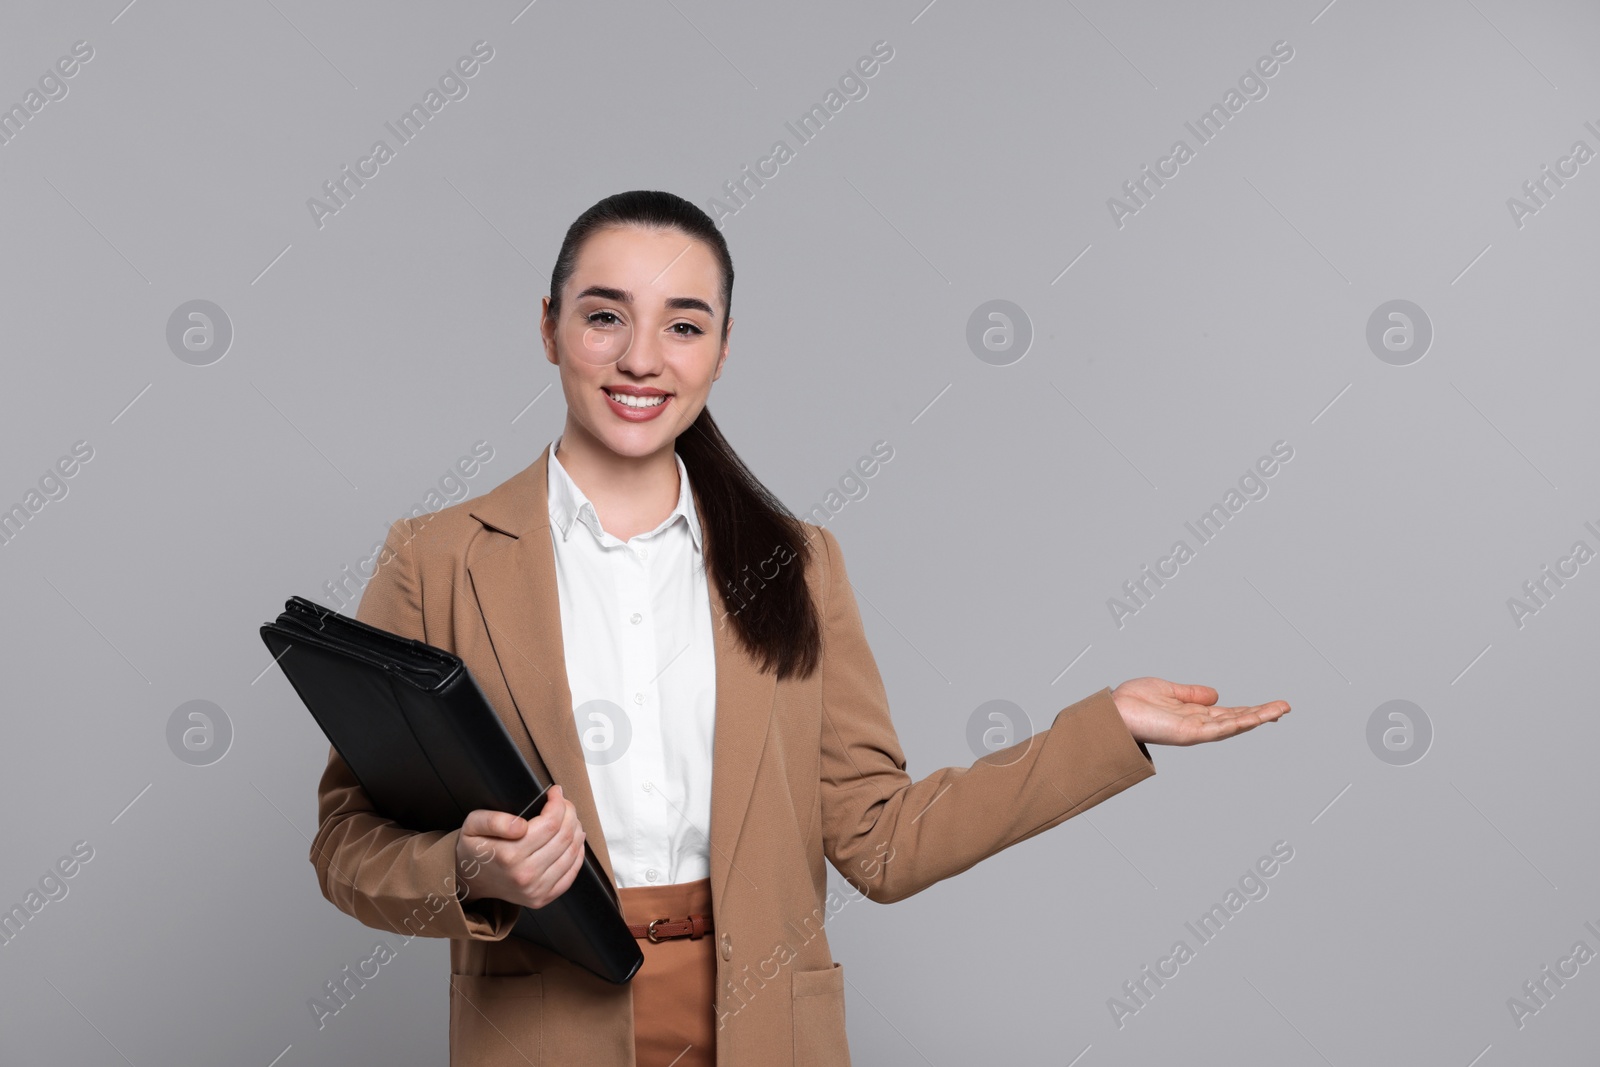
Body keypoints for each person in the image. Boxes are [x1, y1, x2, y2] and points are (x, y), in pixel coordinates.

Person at [309, 189, 1291, 1066]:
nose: (642, 356)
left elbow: (879, 839)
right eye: (605, 316)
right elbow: (348, 843)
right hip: (542, 1033)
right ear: (550, 327)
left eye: (683, 325)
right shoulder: (437, 558)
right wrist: (472, 869)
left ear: (723, 348)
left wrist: (1104, 725)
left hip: (769, 1028)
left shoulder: (798, 563)